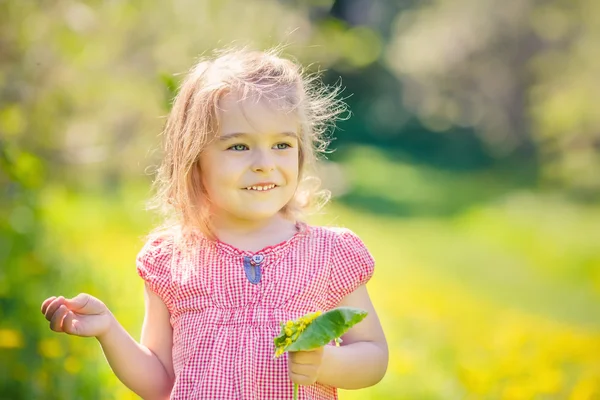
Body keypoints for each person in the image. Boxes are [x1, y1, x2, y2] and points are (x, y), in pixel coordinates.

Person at [41, 47, 388, 400]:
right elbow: (161, 384)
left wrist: (325, 363)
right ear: (195, 160)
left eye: (282, 144)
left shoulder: (330, 254)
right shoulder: (172, 258)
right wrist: (108, 330)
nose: (264, 163)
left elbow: (373, 354)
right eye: (238, 147)